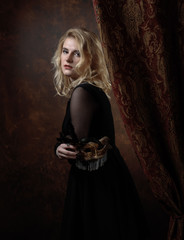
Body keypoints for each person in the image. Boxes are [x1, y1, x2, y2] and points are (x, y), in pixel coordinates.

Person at [52, 28, 149, 240]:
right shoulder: (92, 90)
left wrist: (60, 148)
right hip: (108, 176)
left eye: (76, 53)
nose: (67, 58)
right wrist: (61, 146)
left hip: (95, 183)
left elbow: (77, 147)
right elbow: (78, 139)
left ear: (90, 58)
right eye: (65, 51)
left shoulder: (82, 92)